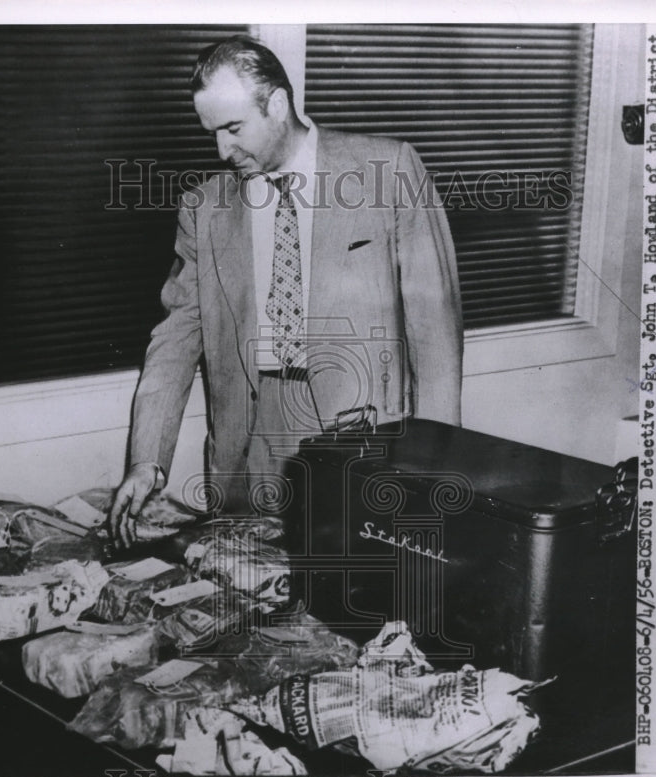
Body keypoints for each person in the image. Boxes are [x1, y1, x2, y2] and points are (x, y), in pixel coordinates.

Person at [110, 35, 462, 546]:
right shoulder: (204, 208)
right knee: (250, 603)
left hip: (361, 436)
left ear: (276, 104)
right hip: (247, 447)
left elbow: (436, 334)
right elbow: (174, 341)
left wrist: (436, 465)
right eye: (212, 133)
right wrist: (147, 461)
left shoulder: (389, 172)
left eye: (233, 128)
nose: (222, 150)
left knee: (351, 598)